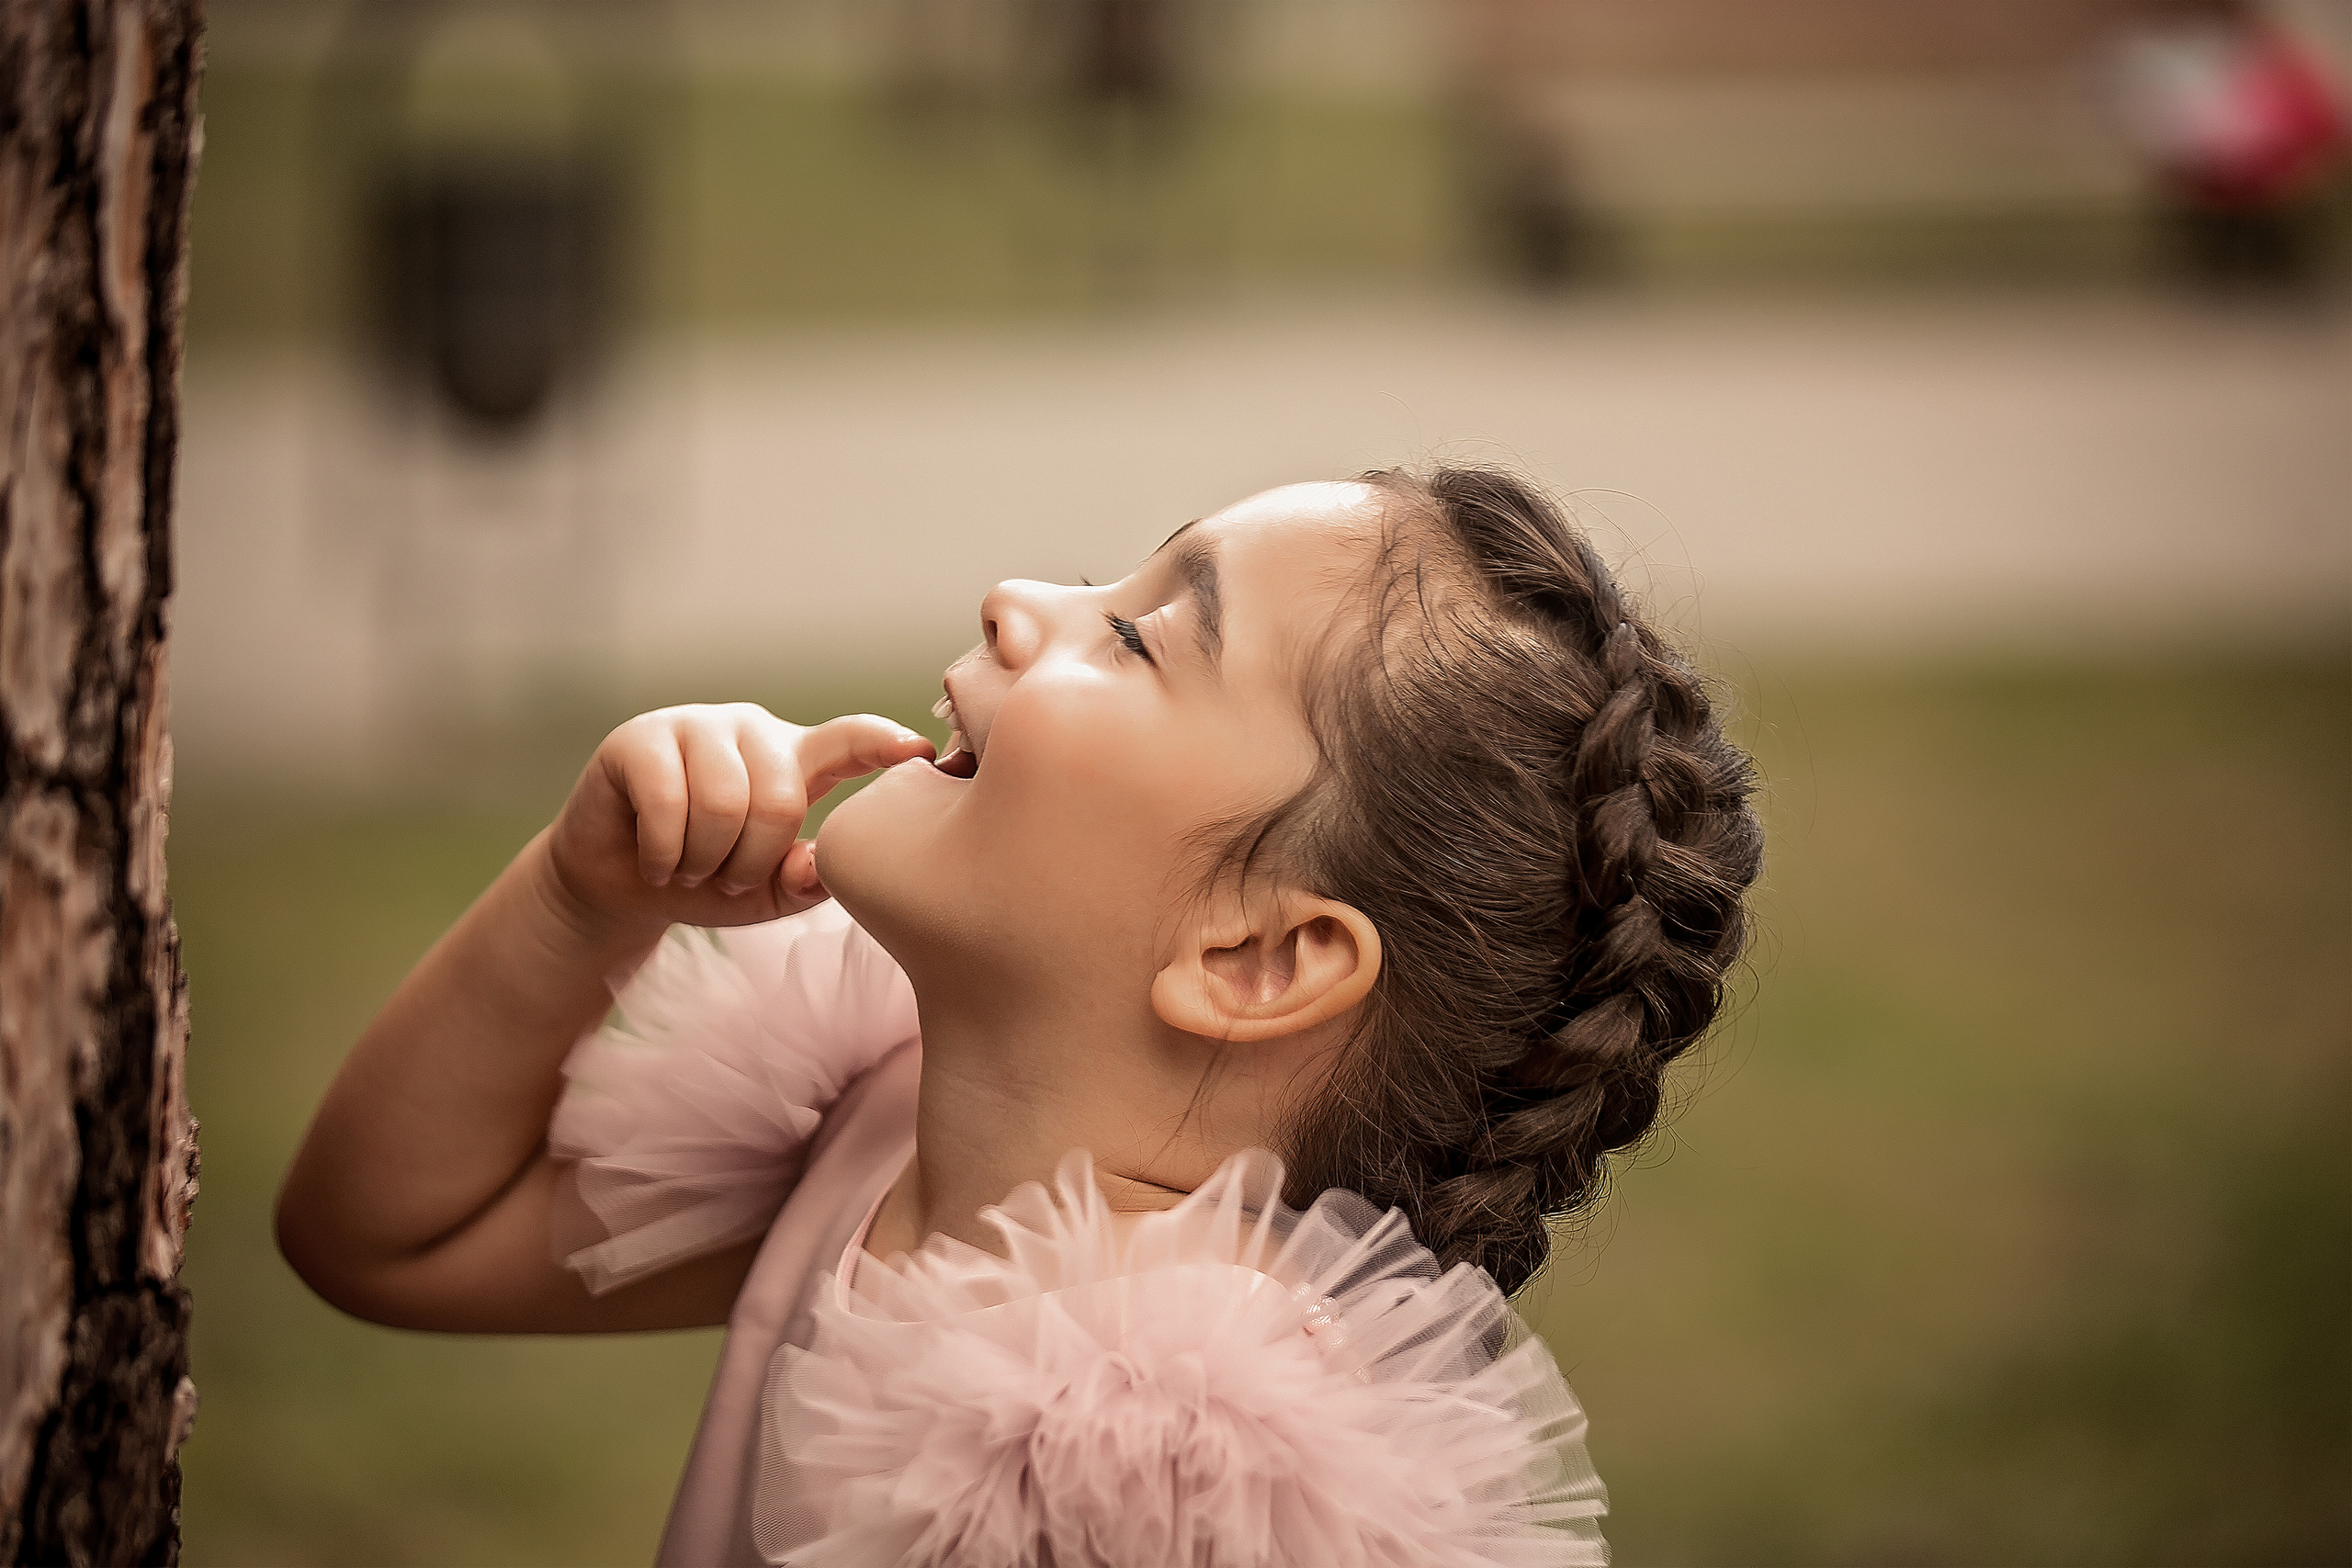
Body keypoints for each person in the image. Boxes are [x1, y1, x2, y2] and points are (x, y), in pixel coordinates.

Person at [277, 467, 1765, 1565]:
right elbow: (389, 1237)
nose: (1020, 599)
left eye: (1136, 640)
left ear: (1257, 957)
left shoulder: (1178, 1476)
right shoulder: (879, 1118)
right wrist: (576, 900)